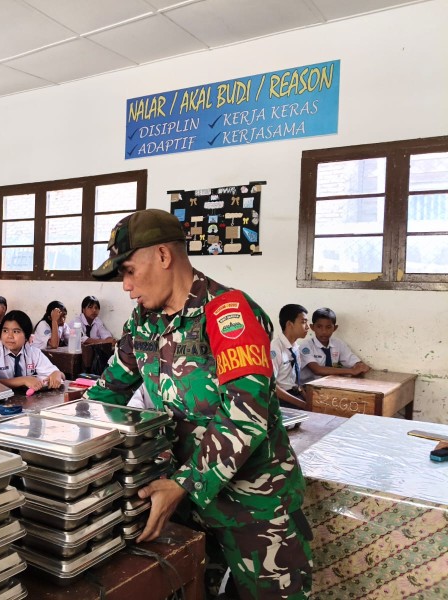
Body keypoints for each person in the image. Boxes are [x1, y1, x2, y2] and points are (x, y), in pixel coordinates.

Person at [84, 209, 311, 599]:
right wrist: (57, 438)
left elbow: (246, 415)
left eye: (128, 271)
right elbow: (106, 393)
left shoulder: (227, 313)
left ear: (163, 256)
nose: (125, 287)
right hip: (186, 505)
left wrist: (182, 484)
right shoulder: (144, 322)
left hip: (254, 507)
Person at [0, 310, 63, 392]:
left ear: (26, 337)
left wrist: (57, 374)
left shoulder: (33, 352)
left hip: (27, 401)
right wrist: (23, 380)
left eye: (16, 331)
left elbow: (58, 374)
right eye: (5, 331)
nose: (10, 336)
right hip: (0, 400)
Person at [299, 307, 370, 383]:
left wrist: (359, 366)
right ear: (312, 327)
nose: (324, 331)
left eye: (328, 327)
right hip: (309, 387)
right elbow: (317, 370)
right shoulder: (306, 346)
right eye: (319, 327)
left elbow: (355, 362)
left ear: (335, 328)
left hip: (331, 385)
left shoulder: (338, 343)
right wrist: (351, 371)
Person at [270, 304, 309, 410]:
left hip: (295, 394)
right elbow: (271, 386)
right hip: (281, 399)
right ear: (289, 324)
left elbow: (296, 382)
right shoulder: (275, 348)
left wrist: (308, 401)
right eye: (303, 322)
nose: (307, 327)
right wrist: (302, 404)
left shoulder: (295, 347)